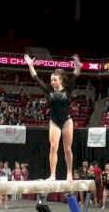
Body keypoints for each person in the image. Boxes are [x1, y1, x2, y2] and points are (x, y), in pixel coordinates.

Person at [25, 53, 82, 181]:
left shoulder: (68, 90)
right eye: (51, 80)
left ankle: (69, 173)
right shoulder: (49, 91)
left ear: (60, 80)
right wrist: (30, 65)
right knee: (53, 147)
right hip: (54, 121)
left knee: (67, 149)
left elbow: (75, 75)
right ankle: (52, 175)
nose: (52, 82)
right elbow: (35, 78)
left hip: (67, 121)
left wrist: (78, 66)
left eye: (54, 80)